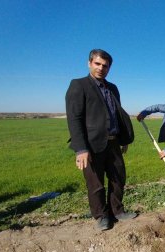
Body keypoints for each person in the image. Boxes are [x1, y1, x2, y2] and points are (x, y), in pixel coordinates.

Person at [65, 49, 136, 231]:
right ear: (89, 63)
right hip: (91, 144)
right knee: (95, 183)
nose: (101, 68)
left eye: (105, 66)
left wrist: (124, 138)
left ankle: (117, 211)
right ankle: (101, 216)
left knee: (118, 177)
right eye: (97, 64)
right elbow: (74, 118)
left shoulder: (113, 88)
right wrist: (81, 149)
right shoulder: (78, 85)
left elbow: (117, 114)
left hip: (113, 142)